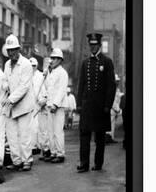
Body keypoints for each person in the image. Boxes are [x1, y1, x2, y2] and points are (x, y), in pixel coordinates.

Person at [77, 33, 116, 172]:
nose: (92, 47)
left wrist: (107, 105)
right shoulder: (85, 63)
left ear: (99, 45)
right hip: (87, 106)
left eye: (95, 45)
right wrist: (79, 104)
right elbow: (81, 85)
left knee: (100, 138)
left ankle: (98, 163)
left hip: (100, 107)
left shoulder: (107, 62)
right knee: (84, 134)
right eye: (91, 45)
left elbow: (111, 86)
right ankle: (84, 163)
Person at [2, 34, 35, 171]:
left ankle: (27, 160)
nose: (11, 53)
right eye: (9, 50)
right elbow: (4, 80)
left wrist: (11, 98)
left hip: (23, 106)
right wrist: (5, 86)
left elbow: (24, 86)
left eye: (13, 50)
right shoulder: (7, 65)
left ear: (18, 49)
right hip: (11, 107)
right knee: (11, 136)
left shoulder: (26, 64)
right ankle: (17, 161)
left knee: (24, 135)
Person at [40, 48, 69, 163]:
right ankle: (53, 152)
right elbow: (48, 88)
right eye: (52, 58)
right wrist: (45, 73)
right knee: (50, 131)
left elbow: (61, 90)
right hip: (50, 105)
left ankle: (60, 153)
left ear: (60, 60)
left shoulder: (63, 73)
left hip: (58, 106)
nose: (53, 60)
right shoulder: (50, 73)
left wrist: (55, 104)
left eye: (56, 58)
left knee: (58, 131)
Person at [29, 57, 46, 156]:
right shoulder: (26, 75)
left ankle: (41, 147)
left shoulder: (40, 75)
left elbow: (44, 87)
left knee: (40, 127)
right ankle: (33, 146)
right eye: (30, 66)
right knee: (31, 127)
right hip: (29, 104)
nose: (32, 68)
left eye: (34, 66)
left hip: (39, 103)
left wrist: (42, 99)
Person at [107, 74, 123, 143]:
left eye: (118, 81)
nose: (118, 82)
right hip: (112, 110)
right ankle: (108, 138)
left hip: (114, 111)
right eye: (116, 81)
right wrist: (118, 110)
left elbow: (118, 99)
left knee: (112, 125)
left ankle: (111, 138)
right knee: (110, 125)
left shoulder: (117, 89)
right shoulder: (111, 89)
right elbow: (113, 101)